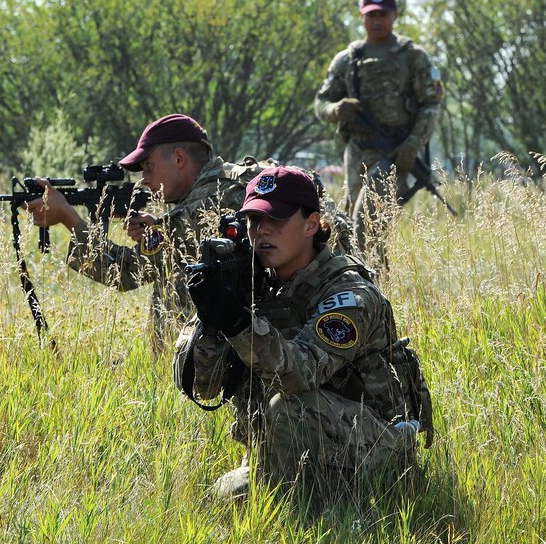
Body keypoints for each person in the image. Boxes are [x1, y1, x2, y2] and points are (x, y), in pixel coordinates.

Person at [176, 166, 433, 501]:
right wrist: (212, 322)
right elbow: (204, 388)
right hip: (287, 452)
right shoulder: (259, 286)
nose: (262, 232)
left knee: (290, 407)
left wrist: (238, 322)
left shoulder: (350, 293)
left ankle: (309, 515)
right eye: (254, 221)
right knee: (217, 501)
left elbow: (300, 373)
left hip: (376, 453)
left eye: (277, 220)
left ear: (311, 224)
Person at [25, 114, 272, 354]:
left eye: (149, 167)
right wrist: (160, 231)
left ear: (178, 158)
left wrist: (69, 218)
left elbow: (122, 272)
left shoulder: (194, 211)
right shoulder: (234, 183)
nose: (144, 180)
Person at [314, 0, 444, 255]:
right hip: (357, 152)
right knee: (347, 228)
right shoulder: (348, 59)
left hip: (394, 154)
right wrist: (337, 109)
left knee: (367, 223)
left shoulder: (413, 57)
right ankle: (358, 284)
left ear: (394, 14)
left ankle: (373, 288)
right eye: (371, 14)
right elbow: (321, 103)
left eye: (382, 14)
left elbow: (431, 105)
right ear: (362, 16)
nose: (376, 20)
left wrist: (413, 144)